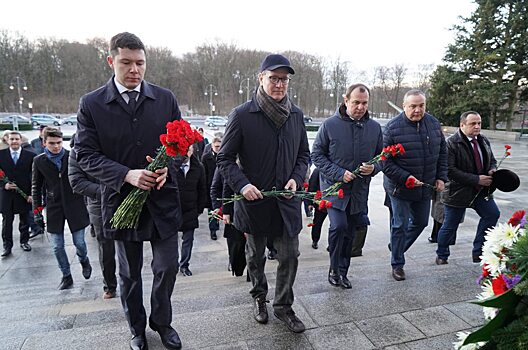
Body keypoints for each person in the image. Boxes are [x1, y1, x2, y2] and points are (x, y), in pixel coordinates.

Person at [75, 32, 183, 350]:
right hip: (121, 202)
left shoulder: (165, 99)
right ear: (111, 61)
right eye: (126, 63)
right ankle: (136, 328)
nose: (134, 69)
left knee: (167, 267)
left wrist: (168, 168)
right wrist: (127, 175)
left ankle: (161, 323)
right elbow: (85, 155)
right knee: (130, 275)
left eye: (140, 63)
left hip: (162, 200)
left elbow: (180, 147)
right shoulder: (92, 104)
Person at [217, 54, 310, 333]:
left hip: (286, 202)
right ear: (261, 78)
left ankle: (283, 306)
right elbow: (224, 159)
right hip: (254, 202)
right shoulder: (243, 114)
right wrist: (243, 185)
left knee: (290, 255)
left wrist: (296, 178)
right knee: (255, 255)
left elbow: (303, 154)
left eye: (284, 79)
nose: (279, 84)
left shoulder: (295, 114)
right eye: (274, 78)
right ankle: (259, 296)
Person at [312, 83, 383, 289]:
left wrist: (375, 167)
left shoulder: (374, 127)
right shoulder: (330, 125)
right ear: (346, 101)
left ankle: (343, 271)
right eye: (356, 102)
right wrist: (339, 173)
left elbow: (383, 156)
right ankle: (333, 267)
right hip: (335, 190)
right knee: (338, 226)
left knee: (351, 232)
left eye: (364, 103)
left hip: (359, 192)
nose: (360, 107)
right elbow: (317, 155)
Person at [383, 89, 447, 281]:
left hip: (424, 186)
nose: (418, 110)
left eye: (421, 106)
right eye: (413, 106)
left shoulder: (434, 124)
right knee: (400, 224)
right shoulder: (392, 128)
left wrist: (441, 177)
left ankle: (396, 246)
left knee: (421, 222)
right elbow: (385, 162)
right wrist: (406, 177)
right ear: (404, 106)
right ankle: (397, 264)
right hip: (399, 187)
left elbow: (442, 153)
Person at [436, 111, 500, 265]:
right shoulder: (451, 143)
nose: (477, 126)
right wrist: (476, 179)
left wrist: (492, 169)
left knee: (492, 214)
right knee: (450, 224)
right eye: (473, 123)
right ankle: (442, 254)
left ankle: (479, 251)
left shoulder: (483, 140)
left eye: (479, 123)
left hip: (481, 191)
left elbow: (492, 160)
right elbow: (450, 170)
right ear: (462, 125)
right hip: (457, 192)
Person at [31, 127, 92, 289]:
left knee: (79, 243)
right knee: (57, 246)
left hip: (75, 204)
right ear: (44, 143)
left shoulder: (72, 156)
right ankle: (66, 275)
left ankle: (84, 260)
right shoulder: (39, 161)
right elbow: (36, 187)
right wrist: (36, 211)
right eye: (52, 143)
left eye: (59, 142)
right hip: (54, 206)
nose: (56, 146)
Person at [68, 136, 117, 299]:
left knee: (130, 245)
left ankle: (130, 280)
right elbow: (77, 182)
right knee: (106, 248)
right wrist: (106, 192)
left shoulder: (113, 141)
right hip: (99, 205)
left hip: (123, 199)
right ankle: (109, 285)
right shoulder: (77, 150)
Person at [0, 131, 35, 257]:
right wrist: (4, 185)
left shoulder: (30, 156)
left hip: (24, 193)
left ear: (21, 140)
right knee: (7, 221)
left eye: (16, 139)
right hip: (7, 194)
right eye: (11, 139)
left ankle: (24, 241)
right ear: (7, 140)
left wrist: (32, 193)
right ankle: (7, 246)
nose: (14, 141)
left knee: (24, 219)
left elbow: (34, 176)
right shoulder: (1, 155)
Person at [175, 145, 206, 277]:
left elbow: (202, 189)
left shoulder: (198, 167)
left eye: (188, 150)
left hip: (191, 209)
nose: (185, 153)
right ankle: (173, 264)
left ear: (192, 151)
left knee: (188, 239)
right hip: (173, 210)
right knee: (172, 240)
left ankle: (184, 265)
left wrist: (199, 209)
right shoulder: (172, 166)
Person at [201, 136, 222, 240]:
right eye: (216, 146)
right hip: (211, 186)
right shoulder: (206, 157)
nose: (218, 148)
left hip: (222, 187)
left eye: (220, 146)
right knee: (212, 210)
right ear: (212, 146)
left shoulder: (224, 156)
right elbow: (203, 174)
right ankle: (213, 230)